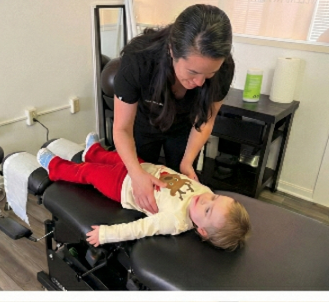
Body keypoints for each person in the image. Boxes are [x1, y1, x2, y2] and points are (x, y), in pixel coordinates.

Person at [113, 4, 235, 214]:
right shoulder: (138, 59)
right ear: (172, 50)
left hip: (185, 129)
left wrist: (187, 162)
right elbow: (122, 128)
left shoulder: (224, 69)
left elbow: (206, 119)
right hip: (143, 124)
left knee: (182, 186)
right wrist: (136, 173)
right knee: (140, 187)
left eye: (208, 74)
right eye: (193, 72)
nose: (199, 82)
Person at [38, 133, 251, 250]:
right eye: (214, 198)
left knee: (90, 172)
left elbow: (140, 228)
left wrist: (106, 234)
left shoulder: (175, 220)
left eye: (207, 211)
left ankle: (55, 168)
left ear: (202, 231)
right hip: (142, 169)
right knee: (117, 157)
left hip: (123, 187)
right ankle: (93, 152)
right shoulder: (204, 193)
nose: (205, 200)